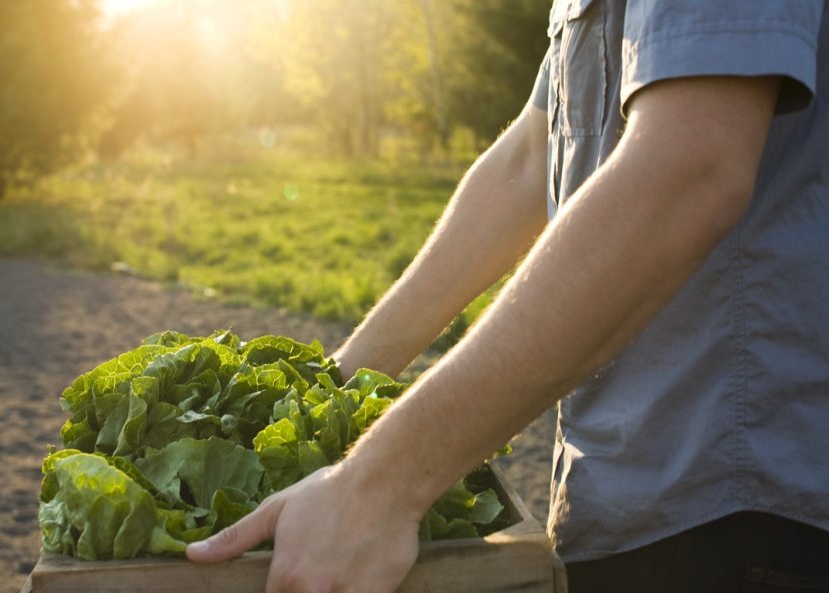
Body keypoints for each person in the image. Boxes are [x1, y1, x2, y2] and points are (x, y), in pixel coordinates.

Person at [187, 1, 829, 591]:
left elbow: (691, 167)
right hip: (627, 499)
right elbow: (532, 156)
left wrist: (378, 486)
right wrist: (333, 393)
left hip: (743, 507)